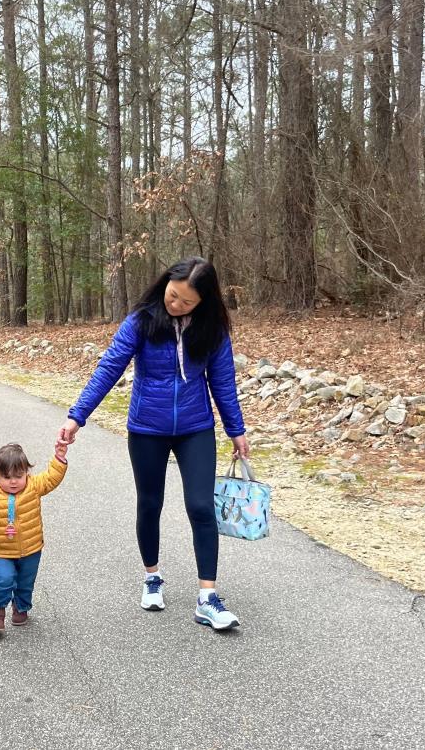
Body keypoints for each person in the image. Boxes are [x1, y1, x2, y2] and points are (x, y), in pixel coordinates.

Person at [58, 257, 250, 630]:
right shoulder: (142, 321)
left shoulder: (213, 330)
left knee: (200, 506)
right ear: (166, 282)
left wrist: (236, 430)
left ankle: (207, 597)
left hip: (195, 427)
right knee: (150, 503)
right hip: (147, 427)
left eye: (186, 302)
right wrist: (76, 417)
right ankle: (152, 577)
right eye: (172, 294)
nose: (175, 305)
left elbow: (223, 382)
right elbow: (109, 368)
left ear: (204, 302)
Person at [0, 441, 68, 633]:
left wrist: (59, 457)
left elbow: (51, 478)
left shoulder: (33, 486)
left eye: (19, 476)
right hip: (2, 550)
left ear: (27, 472)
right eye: (7, 477)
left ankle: (21, 607)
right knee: (3, 579)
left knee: (26, 581)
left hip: (31, 548)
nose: (14, 481)